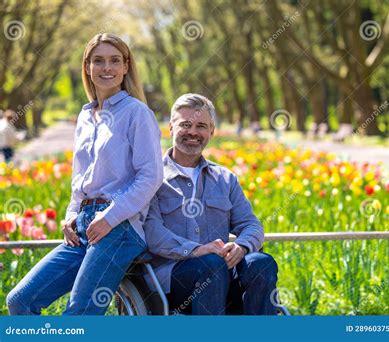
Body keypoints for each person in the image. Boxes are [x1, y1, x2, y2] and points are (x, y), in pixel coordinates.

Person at [6, 33, 163, 315]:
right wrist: (69, 215)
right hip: (82, 227)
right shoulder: (85, 116)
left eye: (115, 61)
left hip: (120, 227)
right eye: (98, 61)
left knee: (77, 316)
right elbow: (80, 179)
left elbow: (150, 176)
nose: (107, 68)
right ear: (87, 67)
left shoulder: (137, 113)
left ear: (126, 67)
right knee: (20, 301)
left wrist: (110, 217)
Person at [144, 93, 278, 315]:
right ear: (170, 128)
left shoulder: (225, 179)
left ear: (212, 131)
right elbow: (152, 232)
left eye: (201, 126)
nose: (193, 132)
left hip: (222, 274)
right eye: (185, 124)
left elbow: (251, 225)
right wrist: (196, 250)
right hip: (173, 281)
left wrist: (241, 246)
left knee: (261, 262)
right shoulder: (152, 177)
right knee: (210, 265)